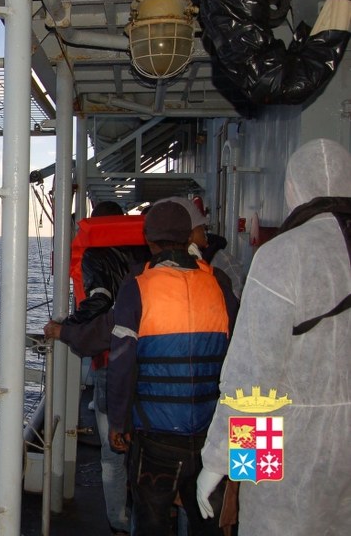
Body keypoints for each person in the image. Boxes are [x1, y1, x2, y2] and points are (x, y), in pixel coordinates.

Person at [196, 138, 351, 534]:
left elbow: (255, 377)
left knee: (271, 520)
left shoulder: (284, 254)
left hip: (279, 440)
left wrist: (221, 461)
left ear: (293, 189)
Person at [107, 197, 239, 536]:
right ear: (189, 238)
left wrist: (118, 422)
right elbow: (241, 353)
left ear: (149, 240)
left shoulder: (137, 287)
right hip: (213, 431)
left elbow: (122, 363)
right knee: (208, 522)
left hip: (156, 435)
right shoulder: (220, 283)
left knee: (151, 523)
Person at [44, 200, 150, 535]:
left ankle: (120, 520)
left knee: (112, 449)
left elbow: (100, 302)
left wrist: (68, 327)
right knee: (143, 442)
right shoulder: (144, 253)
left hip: (112, 360)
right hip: (149, 361)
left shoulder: (96, 255)